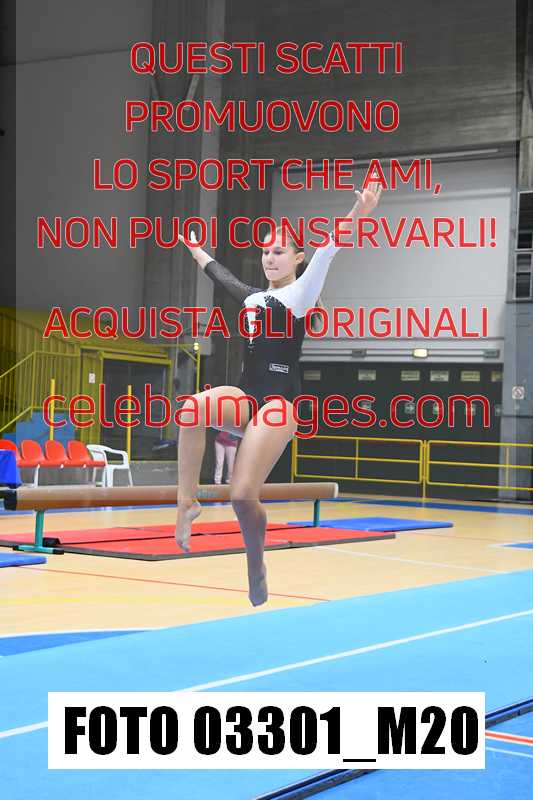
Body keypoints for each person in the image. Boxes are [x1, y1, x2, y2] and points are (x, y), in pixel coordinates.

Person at [175, 181, 382, 606]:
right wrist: (195, 249)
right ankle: (186, 503)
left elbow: (330, 248)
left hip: (278, 405)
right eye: (266, 252)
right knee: (192, 408)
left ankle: (256, 565)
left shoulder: (301, 293)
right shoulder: (253, 298)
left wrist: (359, 212)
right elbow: (220, 273)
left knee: (241, 495)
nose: (270, 258)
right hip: (247, 396)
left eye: (279, 252)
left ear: (297, 258)